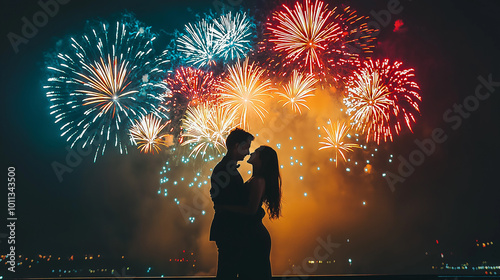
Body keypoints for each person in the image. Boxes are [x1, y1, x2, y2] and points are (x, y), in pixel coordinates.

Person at [216, 145, 282, 280]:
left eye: (256, 152)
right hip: (252, 235)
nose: (251, 152)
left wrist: (224, 207)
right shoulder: (255, 179)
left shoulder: (258, 181)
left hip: (255, 237)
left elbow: (251, 210)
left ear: (262, 159)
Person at [209, 128, 256, 279]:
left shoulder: (225, 168)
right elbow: (227, 202)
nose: (248, 152)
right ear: (237, 146)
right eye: (246, 147)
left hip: (227, 230)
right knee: (227, 272)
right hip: (229, 230)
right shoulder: (226, 170)